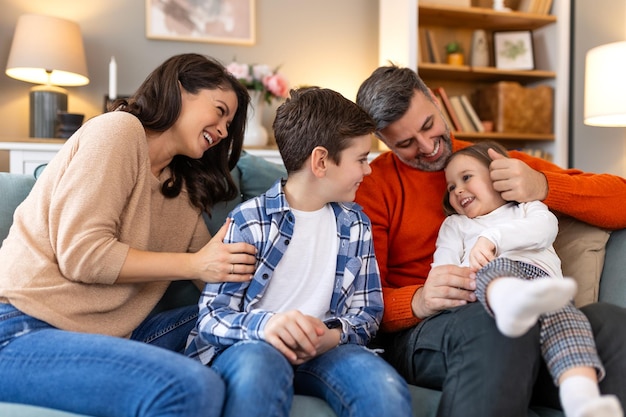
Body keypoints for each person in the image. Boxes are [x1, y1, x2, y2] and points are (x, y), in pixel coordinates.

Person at [354, 64, 626, 416]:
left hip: (527, 311)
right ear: (384, 141)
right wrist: (418, 300)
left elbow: (620, 199)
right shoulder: (373, 186)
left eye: (428, 125)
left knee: (610, 324)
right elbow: (360, 302)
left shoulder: (488, 159)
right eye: (405, 144)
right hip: (429, 329)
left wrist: (542, 186)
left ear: (437, 103)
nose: (428, 147)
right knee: (495, 323)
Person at [0, 53, 259, 417]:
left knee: (240, 330)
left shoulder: (181, 187)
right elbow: (83, 256)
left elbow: (214, 274)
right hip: (22, 326)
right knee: (191, 387)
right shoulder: (117, 131)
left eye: (229, 125)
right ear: (180, 88)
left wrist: (274, 312)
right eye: (219, 111)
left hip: (112, 335)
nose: (222, 131)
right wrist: (196, 264)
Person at [185, 87, 412, 417]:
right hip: (254, 345)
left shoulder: (356, 224)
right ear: (321, 161)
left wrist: (331, 337)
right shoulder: (250, 222)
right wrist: (266, 327)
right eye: (362, 159)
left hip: (329, 351)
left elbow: (367, 312)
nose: (368, 170)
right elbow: (213, 317)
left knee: (383, 389)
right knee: (256, 374)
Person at [435, 141, 622, 417]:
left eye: (466, 178)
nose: (458, 189)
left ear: (498, 176)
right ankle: (510, 303)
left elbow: (544, 229)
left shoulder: (527, 207)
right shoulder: (457, 225)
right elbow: (444, 268)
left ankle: (582, 401)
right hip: (485, 289)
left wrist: (492, 239)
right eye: (451, 187)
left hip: (543, 289)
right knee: (493, 270)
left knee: (571, 328)